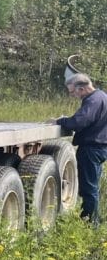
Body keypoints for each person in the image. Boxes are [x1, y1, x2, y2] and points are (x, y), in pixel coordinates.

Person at [51, 73, 107, 223]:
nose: (73, 95)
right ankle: (94, 219)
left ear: (81, 88)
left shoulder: (93, 100)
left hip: (91, 149)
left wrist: (60, 121)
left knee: (88, 189)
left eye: (72, 92)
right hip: (99, 148)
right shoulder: (102, 96)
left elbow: (78, 122)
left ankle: (89, 223)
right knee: (92, 186)